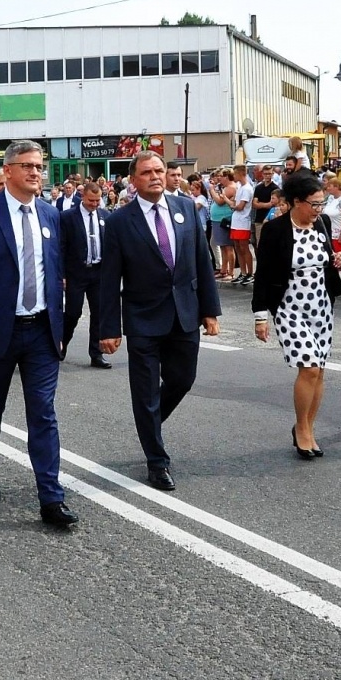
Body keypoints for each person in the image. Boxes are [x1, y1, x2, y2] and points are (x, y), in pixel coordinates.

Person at [0, 141, 76, 527]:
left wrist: (60, 327)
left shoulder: (49, 214)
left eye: (39, 167)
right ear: (7, 171)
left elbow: (55, 275)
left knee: (43, 412)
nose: (35, 173)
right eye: (26, 166)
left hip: (41, 331)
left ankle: (50, 497)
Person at [97, 152, 221, 490]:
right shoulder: (120, 221)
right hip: (142, 319)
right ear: (133, 180)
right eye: (146, 172)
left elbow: (201, 261)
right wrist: (109, 328)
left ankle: (150, 422)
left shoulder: (185, 210)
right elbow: (109, 279)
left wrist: (210, 311)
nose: (154, 176)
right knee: (146, 393)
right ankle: (156, 460)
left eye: (159, 171)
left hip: (185, 314)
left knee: (183, 380)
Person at [252, 171, 341, 459]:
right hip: (289, 307)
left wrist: (338, 260)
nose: (319, 210)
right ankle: (302, 430)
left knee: (319, 370)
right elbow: (264, 274)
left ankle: (306, 426)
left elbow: (328, 259)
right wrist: (260, 315)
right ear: (296, 202)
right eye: (314, 204)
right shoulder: (275, 230)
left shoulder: (323, 224)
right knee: (309, 367)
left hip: (321, 304)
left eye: (322, 203)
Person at [59, 181, 111, 369]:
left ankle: (96, 354)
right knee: (73, 313)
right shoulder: (67, 218)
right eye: (91, 200)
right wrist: (62, 274)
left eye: (98, 201)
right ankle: (61, 343)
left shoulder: (105, 216)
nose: (95, 204)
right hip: (76, 273)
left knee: (98, 314)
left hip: (98, 272)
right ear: (82, 197)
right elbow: (61, 247)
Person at [228, 164, 255, 283]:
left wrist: (232, 205)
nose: (234, 176)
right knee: (237, 247)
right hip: (236, 221)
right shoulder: (240, 187)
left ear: (241, 174)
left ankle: (250, 272)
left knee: (244, 247)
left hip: (243, 221)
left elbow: (240, 206)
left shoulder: (247, 188)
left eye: (235, 173)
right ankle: (243, 272)